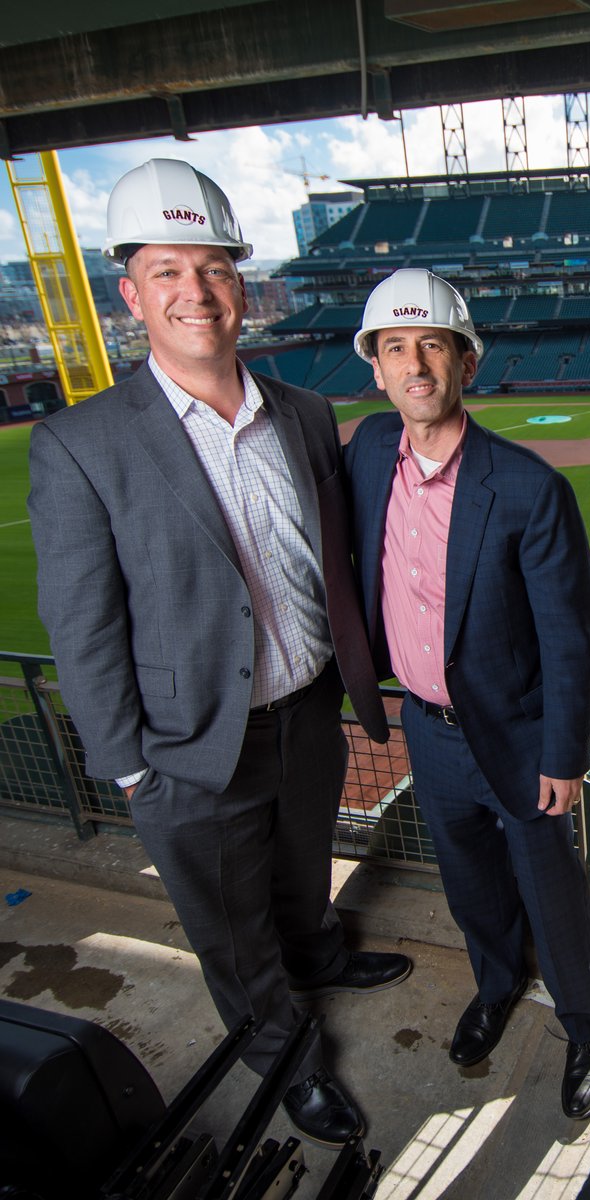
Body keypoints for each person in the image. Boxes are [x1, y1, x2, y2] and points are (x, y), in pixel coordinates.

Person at [27, 158, 411, 1148]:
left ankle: (319, 953)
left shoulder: (306, 414)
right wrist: (129, 766)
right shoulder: (79, 443)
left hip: (305, 712)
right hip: (188, 746)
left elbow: (327, 561)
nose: (195, 293)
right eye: (167, 272)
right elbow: (81, 622)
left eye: (213, 269)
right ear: (132, 293)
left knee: (298, 870)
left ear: (243, 284)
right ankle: (285, 1056)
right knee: (234, 934)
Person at [343, 268, 590, 1120]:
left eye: (432, 345)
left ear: (466, 363)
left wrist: (563, 753)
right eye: (395, 348)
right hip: (426, 728)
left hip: (520, 735)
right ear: (376, 369)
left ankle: (586, 1022)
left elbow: (569, 637)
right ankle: (496, 988)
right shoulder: (365, 455)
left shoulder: (529, 487)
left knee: (551, 892)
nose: (414, 364)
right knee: (470, 888)